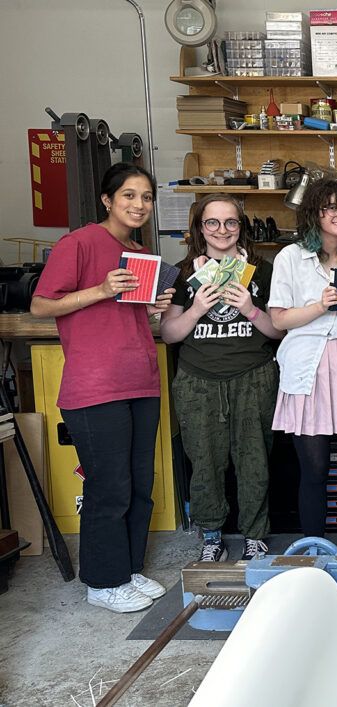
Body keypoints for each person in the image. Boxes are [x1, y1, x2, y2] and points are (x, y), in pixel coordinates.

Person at [30, 162, 174, 613]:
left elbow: (123, 316)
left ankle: (128, 570)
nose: (139, 204)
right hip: (95, 387)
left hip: (140, 381)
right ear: (107, 200)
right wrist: (101, 289)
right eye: (129, 195)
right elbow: (40, 305)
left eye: (146, 197)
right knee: (108, 487)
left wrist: (152, 309)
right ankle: (102, 582)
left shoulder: (138, 251)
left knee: (138, 484)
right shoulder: (79, 243)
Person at [160, 194, 284, 563]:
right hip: (198, 380)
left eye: (231, 222)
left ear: (241, 228)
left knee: (255, 460)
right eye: (212, 222)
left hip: (254, 377)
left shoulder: (263, 270)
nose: (222, 230)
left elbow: (278, 331)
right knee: (205, 462)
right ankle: (211, 535)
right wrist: (197, 307)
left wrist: (248, 308)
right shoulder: (181, 273)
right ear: (200, 228)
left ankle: (255, 535)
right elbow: (169, 334)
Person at [268, 179, 337, 561]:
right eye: (331, 208)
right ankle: (314, 546)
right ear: (314, 213)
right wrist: (320, 306)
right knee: (314, 468)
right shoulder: (290, 257)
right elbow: (280, 319)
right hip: (307, 362)